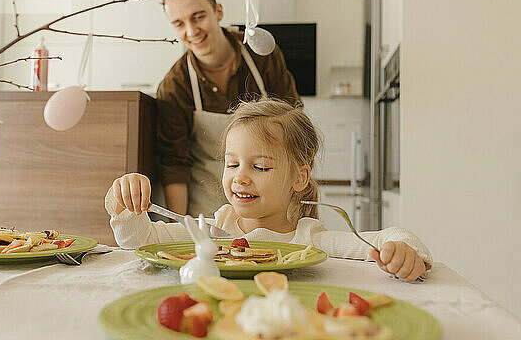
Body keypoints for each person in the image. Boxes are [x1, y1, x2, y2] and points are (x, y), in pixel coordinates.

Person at [104, 99, 432, 282]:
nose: (240, 177)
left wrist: (403, 250)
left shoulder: (308, 240)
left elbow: (381, 239)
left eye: (260, 167)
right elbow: (141, 241)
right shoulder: (214, 231)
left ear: (299, 178)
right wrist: (127, 203)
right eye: (232, 165)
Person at [156, 0, 300, 218]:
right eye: (179, 23)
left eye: (198, 17)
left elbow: (296, 133)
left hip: (274, 212)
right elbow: (175, 167)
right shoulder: (175, 87)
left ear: (218, 11)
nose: (191, 31)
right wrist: (180, 229)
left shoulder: (262, 57)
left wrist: (297, 207)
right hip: (212, 215)